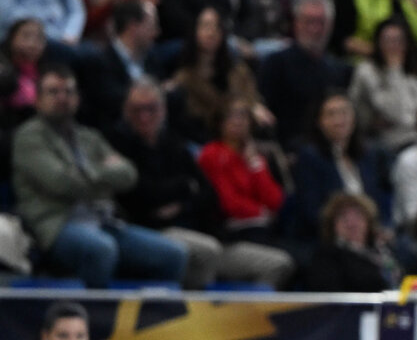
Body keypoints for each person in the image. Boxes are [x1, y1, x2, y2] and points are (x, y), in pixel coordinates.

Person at [108, 81, 295, 289]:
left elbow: (211, 196)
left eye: (151, 109)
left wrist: (255, 166)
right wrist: (186, 188)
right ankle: (196, 309)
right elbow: (142, 196)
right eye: (137, 110)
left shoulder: (174, 143)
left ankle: (249, 309)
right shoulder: (211, 154)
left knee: (282, 261)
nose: (144, 116)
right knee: (206, 250)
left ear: (163, 110)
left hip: (216, 231)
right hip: (161, 231)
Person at [12, 68, 188, 288]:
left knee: (174, 255)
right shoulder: (29, 136)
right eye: (53, 92)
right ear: (37, 100)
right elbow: (61, 183)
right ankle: (94, 310)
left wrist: (85, 175)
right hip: (57, 225)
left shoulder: (89, 136)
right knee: (102, 249)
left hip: (104, 221)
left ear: (77, 99)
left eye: (69, 92)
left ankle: (149, 310)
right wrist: (103, 175)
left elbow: (129, 175)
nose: (62, 98)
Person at [257, 0, 351, 150]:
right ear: (296, 23)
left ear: (330, 25)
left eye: (321, 22)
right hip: (290, 148)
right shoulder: (276, 63)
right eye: (309, 21)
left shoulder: (340, 70)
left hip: (331, 150)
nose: (315, 29)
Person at [167, 7, 272, 146]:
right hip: (205, 139)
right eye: (206, 26)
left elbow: (250, 97)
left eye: (216, 27)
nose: (211, 32)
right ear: (194, 31)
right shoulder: (184, 78)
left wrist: (254, 106)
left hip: (241, 135)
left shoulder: (237, 71)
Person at [292, 92, 391, 237]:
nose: (339, 120)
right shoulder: (310, 157)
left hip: (370, 234)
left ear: (354, 118)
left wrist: (384, 227)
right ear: (319, 122)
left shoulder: (369, 154)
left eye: (344, 112)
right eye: (331, 114)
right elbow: (312, 210)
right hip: (331, 236)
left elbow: (380, 199)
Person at [197, 97, 288, 245]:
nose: (238, 121)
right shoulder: (211, 154)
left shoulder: (254, 156)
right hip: (231, 228)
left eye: (242, 115)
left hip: (261, 224)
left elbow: (275, 200)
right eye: (231, 116)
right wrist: (262, 212)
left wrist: (255, 165)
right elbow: (227, 202)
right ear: (219, 122)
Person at [348, 17, 417, 152]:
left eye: (398, 41)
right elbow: (395, 114)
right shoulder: (367, 71)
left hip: (416, 138)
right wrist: (394, 71)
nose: (393, 46)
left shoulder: (409, 73)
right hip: (385, 142)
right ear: (378, 43)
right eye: (387, 40)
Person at [77, 0, 160, 132]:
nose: (156, 32)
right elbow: (108, 103)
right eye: (151, 26)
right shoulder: (100, 62)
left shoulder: (152, 60)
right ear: (133, 26)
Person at [308, 192, 401, 292]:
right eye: (343, 217)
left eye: (358, 215)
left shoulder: (383, 249)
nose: (351, 223)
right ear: (332, 225)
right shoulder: (327, 256)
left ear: (368, 221)